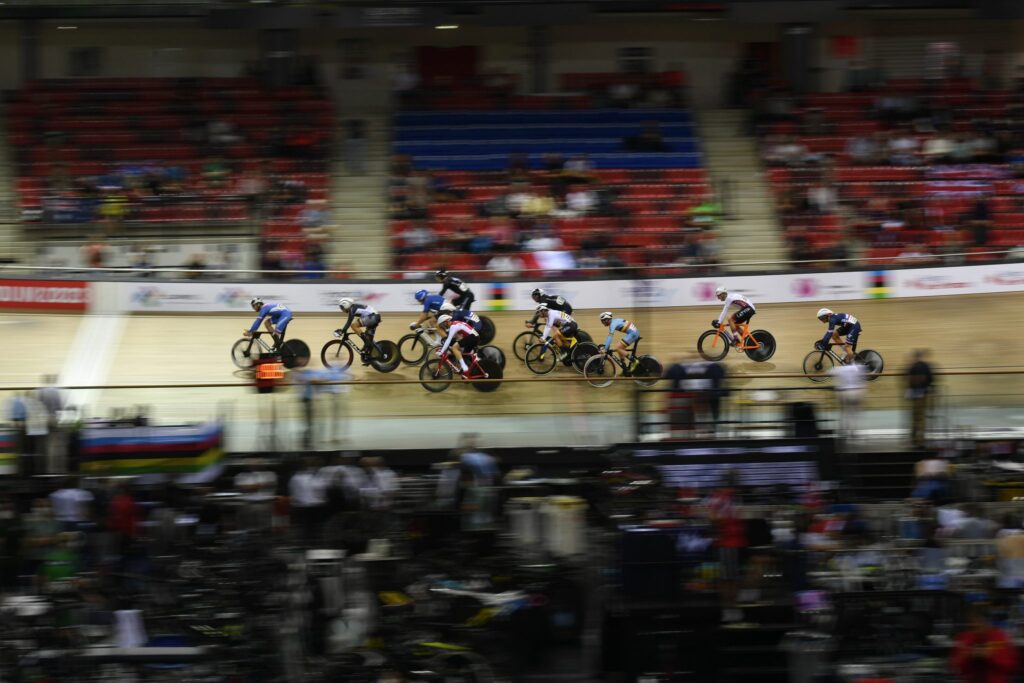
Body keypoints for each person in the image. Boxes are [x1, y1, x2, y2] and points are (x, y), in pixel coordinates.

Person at [950, 604, 1019, 683]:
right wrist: (968, 655)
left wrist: (990, 655)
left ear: (987, 621)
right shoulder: (965, 638)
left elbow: (1010, 665)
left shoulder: (999, 637)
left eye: (978, 621)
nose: (975, 624)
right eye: (971, 622)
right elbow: (956, 664)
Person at [336, 297, 382, 365]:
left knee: (354, 326)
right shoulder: (353, 307)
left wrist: (343, 331)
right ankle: (369, 357)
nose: (342, 310)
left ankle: (367, 342)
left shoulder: (352, 309)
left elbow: (349, 322)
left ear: (346, 305)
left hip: (372, 317)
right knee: (368, 341)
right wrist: (343, 330)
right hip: (374, 316)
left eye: (342, 307)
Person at [906, 349, 935, 449]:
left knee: (914, 417)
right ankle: (921, 440)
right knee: (921, 417)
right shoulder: (926, 366)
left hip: (914, 394)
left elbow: (908, 380)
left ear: (915, 357)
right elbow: (931, 379)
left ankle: (913, 438)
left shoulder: (912, 367)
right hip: (923, 394)